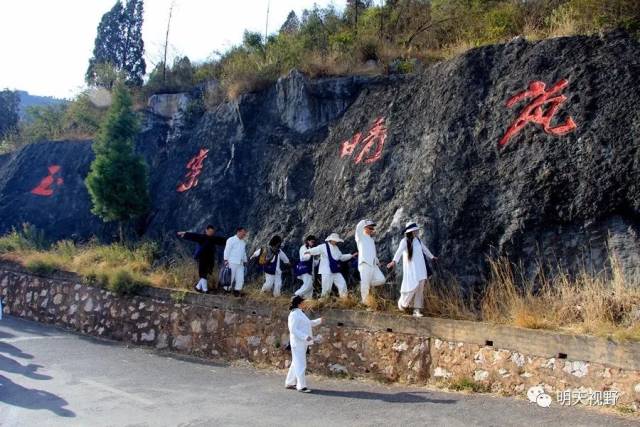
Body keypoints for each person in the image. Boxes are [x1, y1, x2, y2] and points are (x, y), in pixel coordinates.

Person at [387, 222, 438, 318]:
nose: (417, 231)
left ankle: (417, 310)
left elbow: (425, 249)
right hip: (412, 270)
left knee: (420, 289)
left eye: (417, 230)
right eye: (416, 230)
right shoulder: (404, 241)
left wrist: (432, 257)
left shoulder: (418, 240)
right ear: (411, 231)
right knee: (412, 287)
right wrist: (394, 261)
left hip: (421, 269)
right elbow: (399, 252)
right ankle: (403, 303)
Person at [285, 295, 322, 393]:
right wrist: (305, 336)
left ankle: (290, 382)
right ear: (299, 304)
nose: (305, 304)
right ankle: (301, 386)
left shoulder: (300, 313)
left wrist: (319, 321)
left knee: (295, 363)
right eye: (303, 302)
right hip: (298, 343)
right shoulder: (294, 314)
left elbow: (308, 323)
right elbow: (293, 329)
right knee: (301, 364)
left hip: (302, 343)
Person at [305, 233, 357, 299]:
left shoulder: (336, 248)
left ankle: (344, 300)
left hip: (335, 270)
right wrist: (307, 251)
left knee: (342, 284)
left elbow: (341, 257)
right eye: (335, 240)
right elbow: (315, 250)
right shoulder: (323, 246)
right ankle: (322, 303)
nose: (336, 241)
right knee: (326, 289)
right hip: (326, 271)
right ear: (331, 240)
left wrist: (351, 255)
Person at [177, 225, 226, 293]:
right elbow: (193, 236)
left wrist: (231, 240)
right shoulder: (202, 237)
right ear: (206, 230)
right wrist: (185, 234)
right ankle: (205, 290)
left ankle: (198, 287)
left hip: (210, 259)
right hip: (202, 258)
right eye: (210, 231)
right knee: (203, 274)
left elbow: (222, 240)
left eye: (212, 232)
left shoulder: (213, 239)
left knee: (206, 273)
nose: (211, 233)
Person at [355, 219, 385, 306]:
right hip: (364, 264)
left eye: (372, 228)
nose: (372, 230)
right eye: (370, 228)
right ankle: (365, 303)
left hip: (373, 265)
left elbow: (373, 253)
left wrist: (377, 262)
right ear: (365, 228)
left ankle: (364, 283)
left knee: (381, 280)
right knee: (365, 286)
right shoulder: (360, 237)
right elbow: (358, 228)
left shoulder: (371, 240)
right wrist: (364, 221)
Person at [223, 227, 248, 297]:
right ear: (238, 232)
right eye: (243, 233)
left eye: (244, 234)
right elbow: (227, 250)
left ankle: (237, 290)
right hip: (231, 262)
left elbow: (244, 253)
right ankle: (226, 290)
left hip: (240, 263)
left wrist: (245, 261)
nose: (244, 235)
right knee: (230, 277)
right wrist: (225, 260)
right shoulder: (231, 240)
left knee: (240, 278)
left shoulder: (243, 242)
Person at [294, 235, 319, 299]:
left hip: (309, 270)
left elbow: (314, 264)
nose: (313, 243)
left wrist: (318, 259)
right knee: (308, 285)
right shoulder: (303, 247)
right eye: (312, 241)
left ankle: (306, 300)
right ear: (308, 241)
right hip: (304, 269)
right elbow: (302, 258)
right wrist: (310, 253)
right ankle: (296, 295)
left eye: (314, 242)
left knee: (310, 288)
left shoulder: (311, 249)